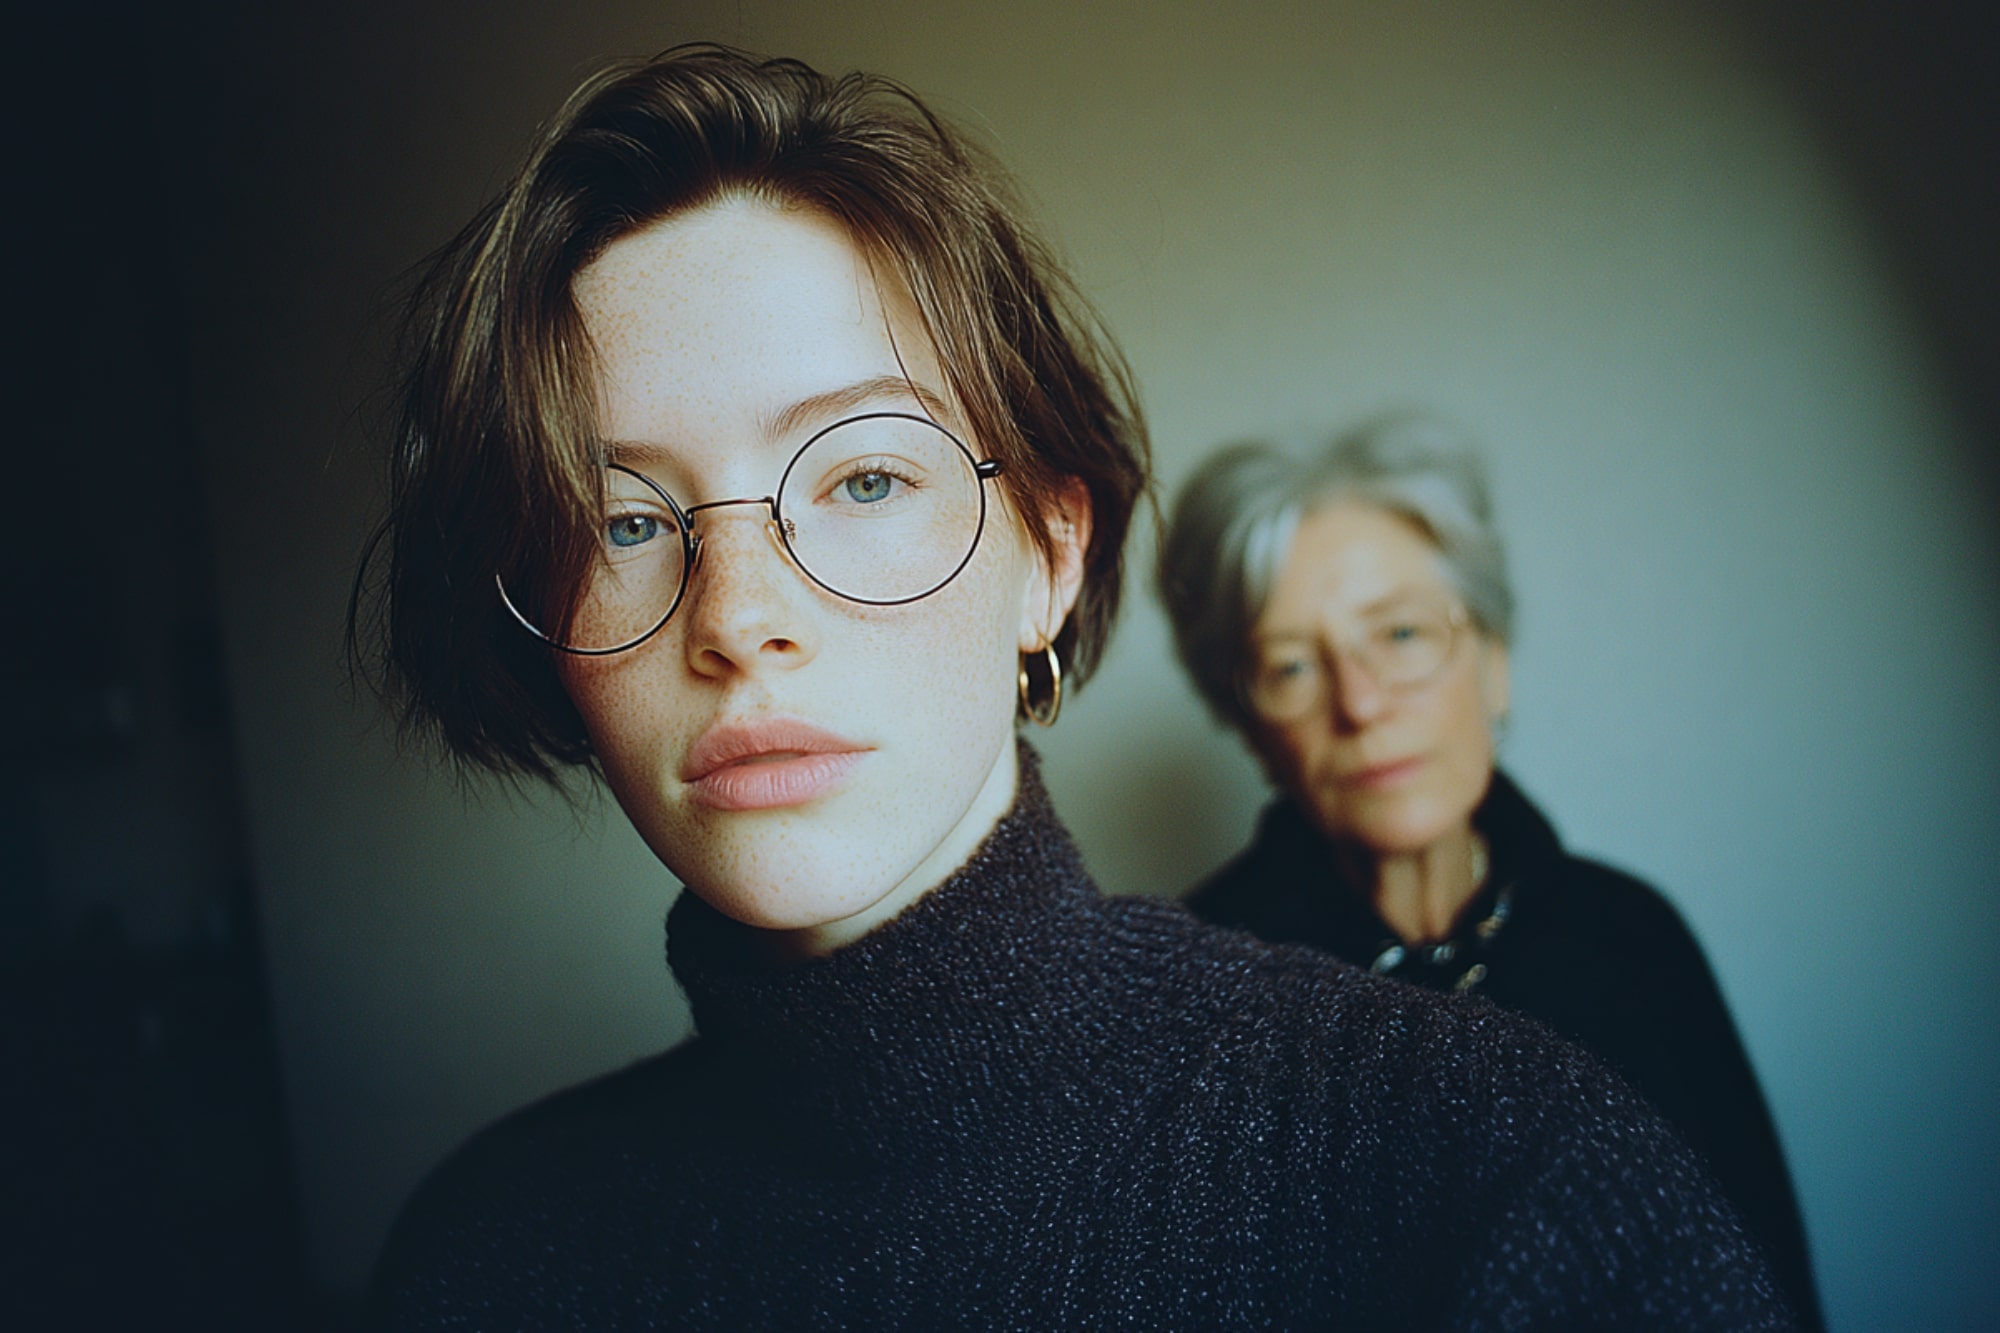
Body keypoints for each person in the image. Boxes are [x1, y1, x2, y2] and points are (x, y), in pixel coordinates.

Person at [355, 46, 1794, 1329]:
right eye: (624, 520)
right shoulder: (480, 1260)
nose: (737, 618)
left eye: (864, 476)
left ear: (1049, 554)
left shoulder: (1501, 1171)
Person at [1158, 413, 1822, 1330]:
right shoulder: (1188, 996)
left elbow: (1770, 1284)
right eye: (1293, 665)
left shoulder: (1632, 938)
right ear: (1253, 729)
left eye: (1398, 634)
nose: (1360, 702)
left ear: (1494, 664)